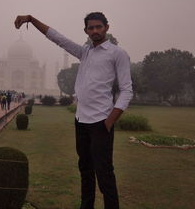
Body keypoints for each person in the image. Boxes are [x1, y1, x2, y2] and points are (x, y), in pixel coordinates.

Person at [14, 13, 133, 209]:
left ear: (106, 27)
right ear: (86, 31)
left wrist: (109, 121)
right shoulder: (85, 52)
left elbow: (127, 90)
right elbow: (58, 38)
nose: (95, 31)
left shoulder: (117, 53)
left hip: (101, 123)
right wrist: (31, 19)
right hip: (81, 121)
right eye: (91, 28)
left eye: (98, 27)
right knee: (85, 171)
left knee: (104, 174)